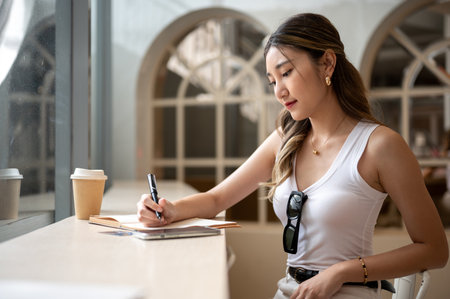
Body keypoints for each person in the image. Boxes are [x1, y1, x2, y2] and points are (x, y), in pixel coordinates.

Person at [137, 13, 448, 299]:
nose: (279, 92)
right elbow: (218, 200)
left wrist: (341, 272)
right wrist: (168, 210)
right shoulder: (286, 139)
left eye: (286, 73)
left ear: (327, 64)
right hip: (289, 291)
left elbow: (434, 250)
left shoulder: (380, 146)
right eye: (272, 81)